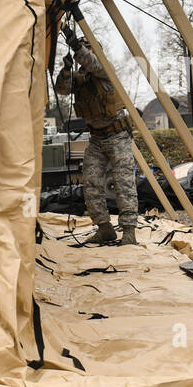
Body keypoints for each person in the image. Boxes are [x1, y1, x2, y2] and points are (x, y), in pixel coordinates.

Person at [54, 28, 138, 246]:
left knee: (123, 184)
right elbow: (61, 90)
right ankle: (105, 228)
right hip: (96, 139)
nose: (85, 51)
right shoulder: (81, 77)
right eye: (84, 47)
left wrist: (77, 47)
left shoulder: (104, 68)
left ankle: (129, 232)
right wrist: (66, 69)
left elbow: (93, 62)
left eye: (88, 47)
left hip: (117, 136)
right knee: (90, 183)